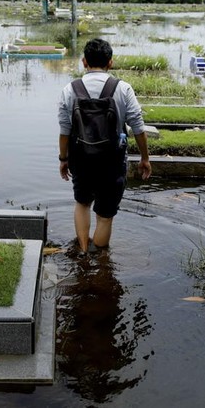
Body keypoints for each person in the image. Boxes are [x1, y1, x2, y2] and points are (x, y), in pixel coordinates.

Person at [58, 38, 151, 253]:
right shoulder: (122, 88)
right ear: (110, 62)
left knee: (82, 203)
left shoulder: (70, 89)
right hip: (112, 160)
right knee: (105, 216)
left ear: (84, 62)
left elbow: (64, 131)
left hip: (80, 159)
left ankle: (82, 250)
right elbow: (138, 128)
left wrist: (64, 159)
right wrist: (145, 159)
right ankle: (99, 260)